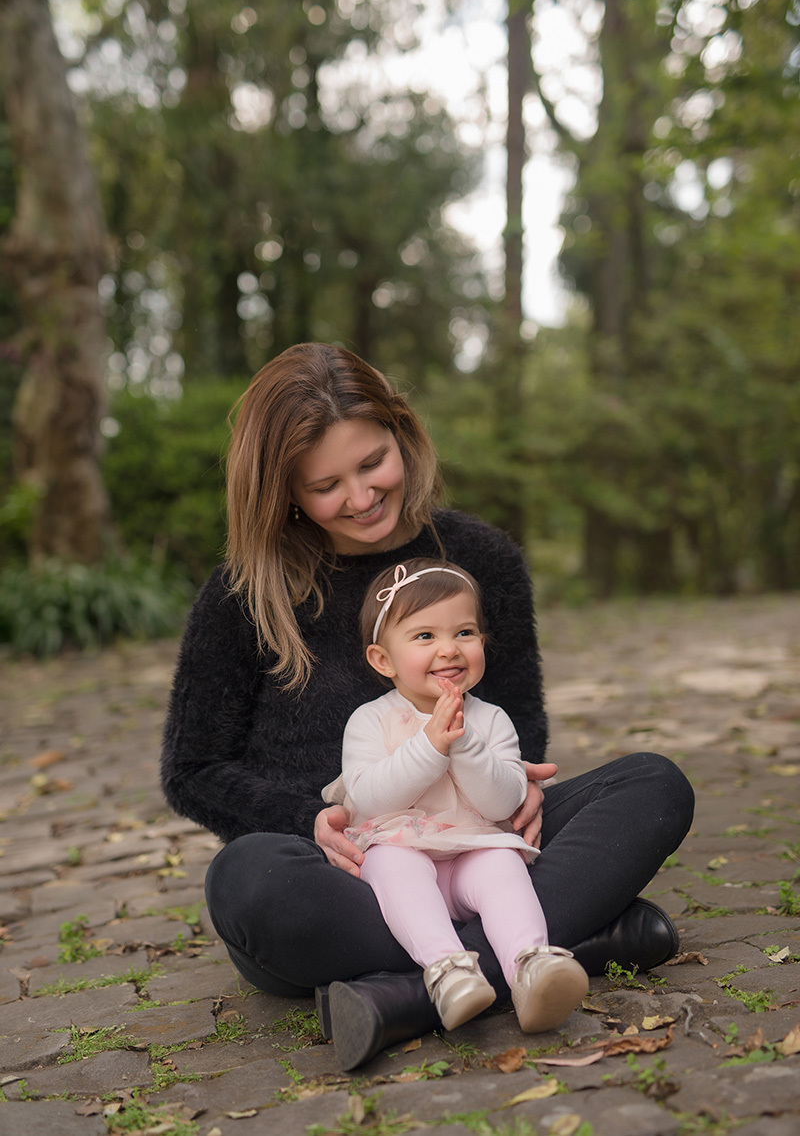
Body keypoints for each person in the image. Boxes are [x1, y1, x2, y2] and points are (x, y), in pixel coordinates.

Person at [161, 342, 694, 1072]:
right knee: (246, 885)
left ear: (402, 433)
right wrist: (305, 822)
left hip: (476, 838)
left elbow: (516, 720)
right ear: (283, 490)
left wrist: (521, 785)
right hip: (340, 873)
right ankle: (569, 944)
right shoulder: (245, 593)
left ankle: (406, 997)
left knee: (653, 785)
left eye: (372, 462)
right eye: (325, 485)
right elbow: (191, 769)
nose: (359, 496)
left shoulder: (481, 557)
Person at [322, 557, 589, 1035]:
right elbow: (370, 798)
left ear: (482, 643)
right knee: (389, 864)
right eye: (425, 637)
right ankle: (449, 971)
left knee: (503, 866)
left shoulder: (490, 720)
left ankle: (530, 966)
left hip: (473, 849)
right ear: (383, 660)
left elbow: (501, 804)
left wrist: (463, 743)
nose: (449, 650)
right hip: (402, 850)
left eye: (464, 633)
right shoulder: (370, 720)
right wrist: (430, 744)